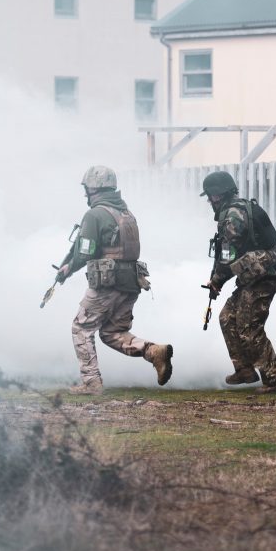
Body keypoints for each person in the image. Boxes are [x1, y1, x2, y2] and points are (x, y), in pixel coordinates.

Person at [56, 166, 173, 395]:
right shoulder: (126, 213)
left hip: (107, 283)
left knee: (81, 327)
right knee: (111, 332)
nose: (85, 194)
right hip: (131, 283)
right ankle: (153, 352)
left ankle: (91, 383)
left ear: (94, 188)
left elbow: (86, 252)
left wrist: (68, 268)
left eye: (86, 189)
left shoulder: (95, 214)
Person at [202, 170, 276, 393]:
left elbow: (227, 254)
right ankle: (244, 370)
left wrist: (217, 280)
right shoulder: (237, 208)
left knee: (249, 328)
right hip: (254, 275)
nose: (208, 201)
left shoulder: (233, 215)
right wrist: (217, 280)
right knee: (227, 317)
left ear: (216, 195)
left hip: (263, 274)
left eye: (209, 196)